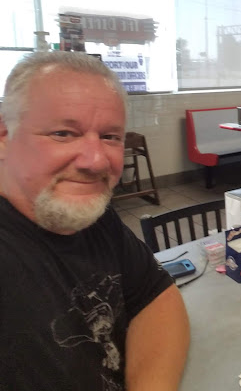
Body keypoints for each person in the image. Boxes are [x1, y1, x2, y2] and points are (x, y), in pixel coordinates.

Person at [0, 51, 190, 390]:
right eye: (63, 133)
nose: (96, 161)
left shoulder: (89, 213)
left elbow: (155, 297)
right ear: (4, 136)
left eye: (110, 137)